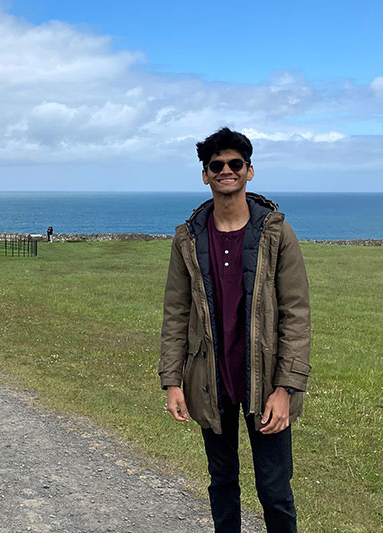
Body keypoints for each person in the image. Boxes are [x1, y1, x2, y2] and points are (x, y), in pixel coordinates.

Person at [158, 127, 311, 533]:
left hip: (266, 385)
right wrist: (172, 381)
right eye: (217, 165)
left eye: (235, 164)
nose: (226, 170)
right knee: (222, 484)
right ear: (205, 175)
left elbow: (297, 315)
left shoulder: (277, 233)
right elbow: (176, 311)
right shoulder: (188, 239)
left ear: (249, 171)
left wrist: (287, 387)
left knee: (275, 491)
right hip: (211, 381)